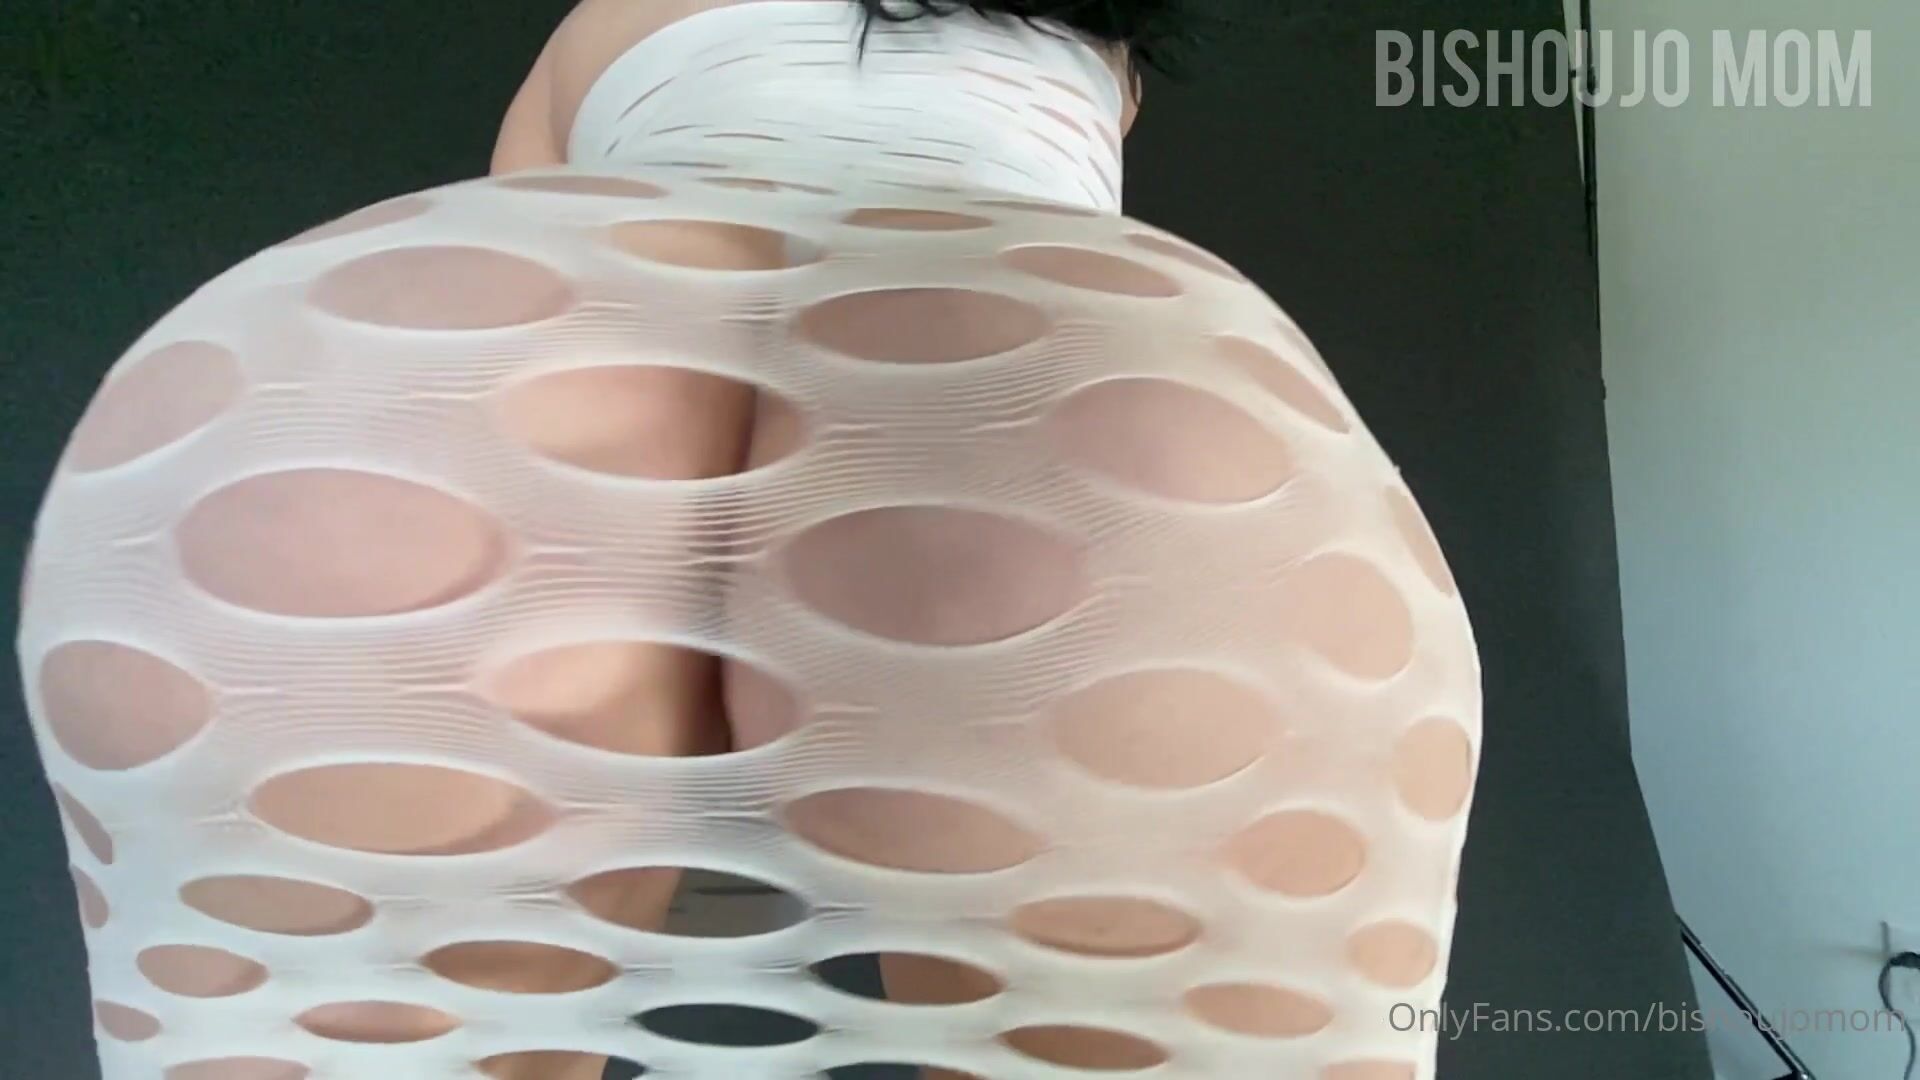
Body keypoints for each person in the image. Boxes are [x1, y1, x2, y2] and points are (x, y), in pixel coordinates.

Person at [16, 2, 1482, 1078]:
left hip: (466, 341)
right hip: (1055, 351)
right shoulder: (1094, 48)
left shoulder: (597, 26)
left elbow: (550, 246)